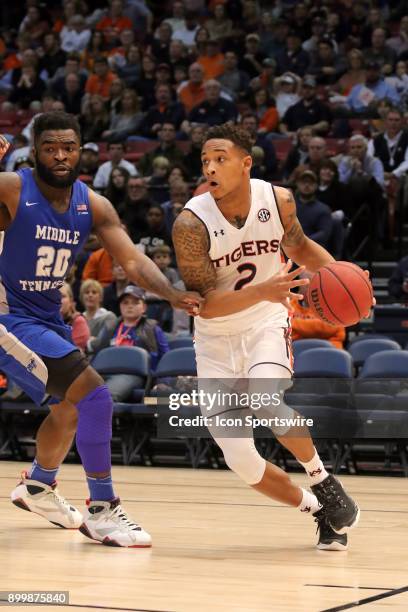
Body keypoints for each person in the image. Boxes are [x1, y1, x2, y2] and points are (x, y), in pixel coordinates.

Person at [0, 111, 201, 548]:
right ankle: (103, 510)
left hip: (45, 318)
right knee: (94, 394)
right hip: (6, 318)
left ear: (81, 151)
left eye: (68, 147)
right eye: (50, 146)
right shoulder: (13, 188)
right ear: (34, 151)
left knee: (69, 408)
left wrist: (171, 294)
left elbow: (132, 261)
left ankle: (38, 487)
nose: (59, 154)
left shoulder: (92, 204)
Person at [172, 123, 366, 551]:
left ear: (246, 163)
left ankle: (322, 478)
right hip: (214, 337)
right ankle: (319, 510)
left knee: (265, 398)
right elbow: (205, 303)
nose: (210, 167)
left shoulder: (277, 201)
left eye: (220, 158)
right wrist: (264, 287)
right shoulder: (190, 223)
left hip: (266, 321)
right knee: (241, 461)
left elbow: (299, 247)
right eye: (205, 160)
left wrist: (344, 278)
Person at [60, 282, 90, 352]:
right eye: (55, 296)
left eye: (63, 296)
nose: (59, 300)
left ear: (71, 300)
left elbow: (71, 352)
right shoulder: (47, 321)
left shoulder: (78, 321)